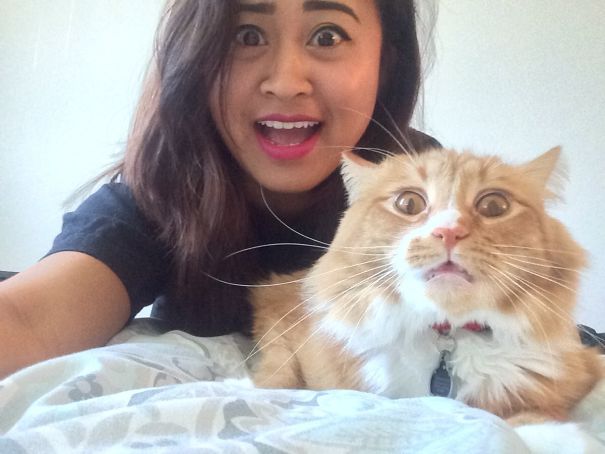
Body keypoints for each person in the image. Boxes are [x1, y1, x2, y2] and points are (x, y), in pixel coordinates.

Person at [0, 0, 438, 379]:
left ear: (386, 62)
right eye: (246, 36)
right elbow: (28, 320)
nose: (285, 82)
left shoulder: (433, 190)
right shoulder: (161, 196)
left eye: (327, 36)